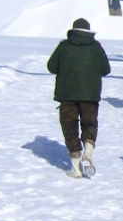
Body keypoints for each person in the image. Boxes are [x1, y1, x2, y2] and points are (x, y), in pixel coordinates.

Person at [47, 18, 111, 178]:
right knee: (89, 124)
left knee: (69, 127)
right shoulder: (96, 47)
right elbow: (106, 69)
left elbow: (51, 67)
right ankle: (88, 151)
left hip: (67, 94)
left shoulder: (64, 46)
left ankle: (76, 169)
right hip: (90, 95)